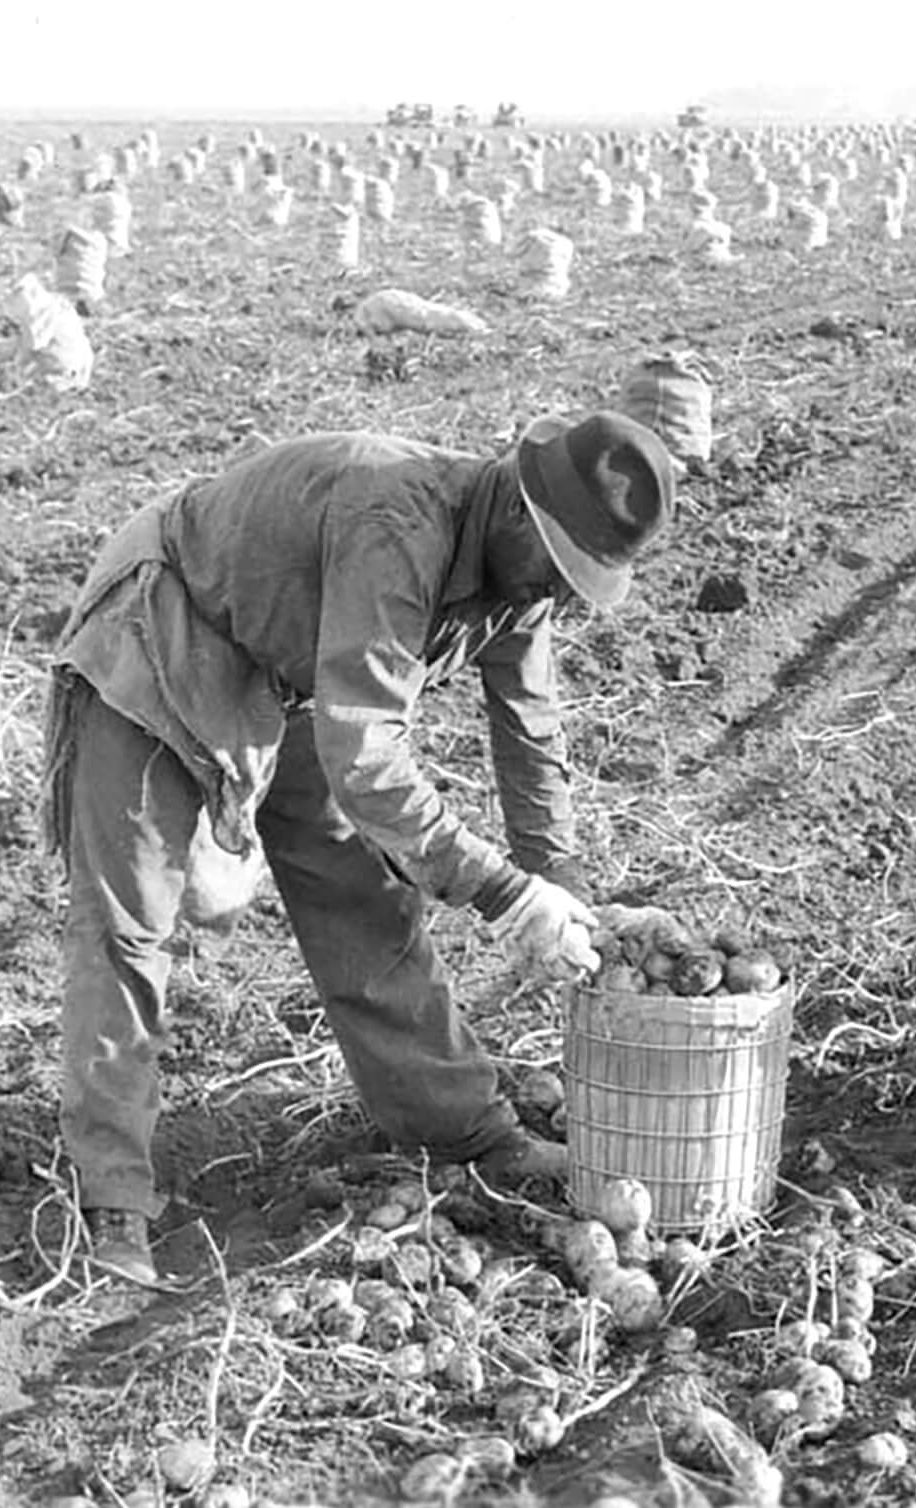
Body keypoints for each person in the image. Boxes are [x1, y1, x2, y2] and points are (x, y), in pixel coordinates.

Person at [41, 409, 676, 1285]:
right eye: (562, 570)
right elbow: (368, 759)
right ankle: (113, 1200)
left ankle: (464, 1132)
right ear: (520, 510)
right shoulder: (399, 522)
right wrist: (501, 892)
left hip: (297, 669)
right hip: (169, 628)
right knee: (131, 921)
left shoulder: (520, 582)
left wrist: (556, 874)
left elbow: (528, 728)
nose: (560, 596)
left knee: (364, 897)